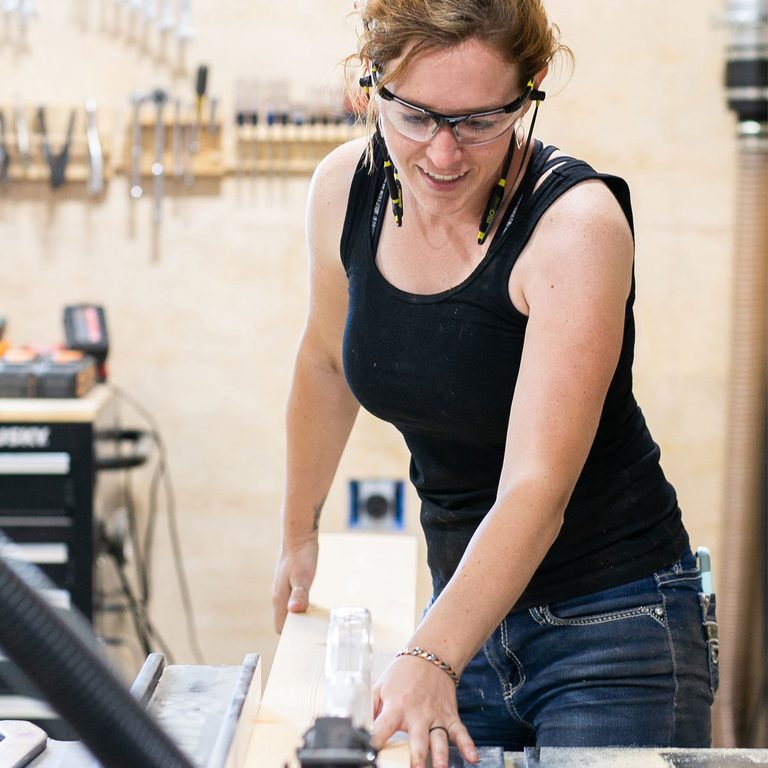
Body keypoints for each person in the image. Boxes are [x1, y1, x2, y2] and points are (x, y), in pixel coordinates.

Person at [272, 1, 718, 766]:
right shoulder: (345, 189)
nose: (443, 154)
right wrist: (297, 534)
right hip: (468, 612)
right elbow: (322, 363)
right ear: (370, 83)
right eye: (415, 116)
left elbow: (535, 489)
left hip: (614, 624)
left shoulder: (576, 227)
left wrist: (429, 656)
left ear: (531, 88)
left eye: (480, 121)